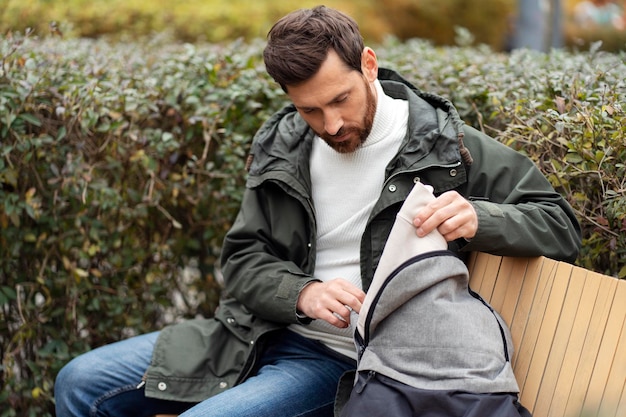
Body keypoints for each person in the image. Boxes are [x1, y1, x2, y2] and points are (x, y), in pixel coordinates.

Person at [54, 5, 582, 417]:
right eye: (310, 109)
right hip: (255, 333)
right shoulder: (285, 144)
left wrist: (480, 219)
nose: (331, 125)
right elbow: (243, 261)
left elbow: (560, 225)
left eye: (341, 100)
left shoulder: (447, 146)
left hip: (347, 361)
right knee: (78, 383)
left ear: (368, 64)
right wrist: (301, 293)